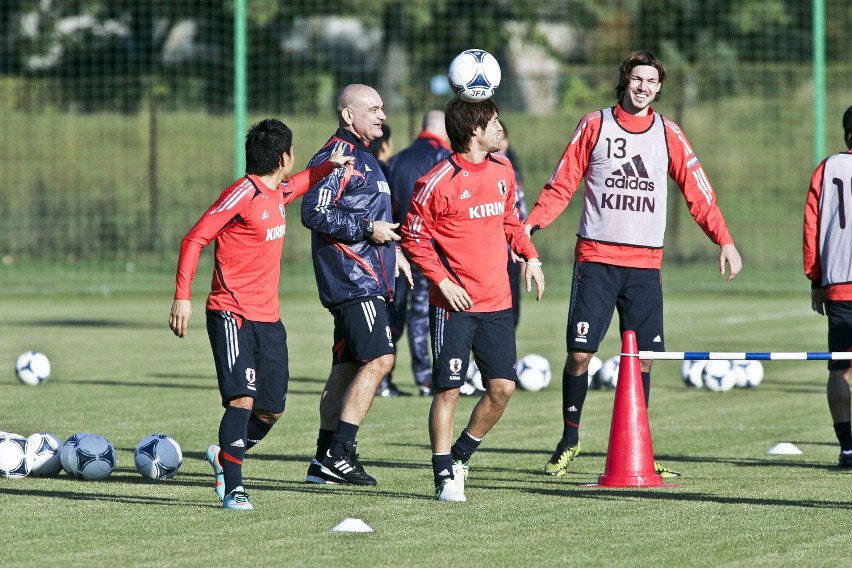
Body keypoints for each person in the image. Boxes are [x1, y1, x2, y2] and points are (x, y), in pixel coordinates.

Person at [524, 50, 743, 478]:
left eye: (652, 81)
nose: (643, 87)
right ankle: (570, 439)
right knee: (580, 354)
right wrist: (532, 223)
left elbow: (699, 193)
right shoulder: (594, 124)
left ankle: (638, 445)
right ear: (625, 80)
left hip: (645, 267)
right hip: (597, 260)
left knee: (644, 360)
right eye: (637, 79)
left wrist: (724, 239)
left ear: (660, 88)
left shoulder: (669, 133)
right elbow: (562, 181)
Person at [168, 118, 351, 510]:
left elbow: (297, 185)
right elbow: (194, 238)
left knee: (271, 410)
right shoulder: (242, 194)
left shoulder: (275, 191)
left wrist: (327, 167)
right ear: (284, 156)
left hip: (269, 319)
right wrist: (182, 297)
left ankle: (225, 453)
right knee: (242, 401)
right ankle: (233, 485)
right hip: (230, 313)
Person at [401, 97, 545, 502]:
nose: (501, 129)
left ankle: (461, 454)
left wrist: (530, 256)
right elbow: (414, 238)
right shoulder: (436, 182)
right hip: (454, 306)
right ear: (475, 131)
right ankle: (443, 473)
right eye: (495, 123)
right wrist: (442, 281)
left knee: (502, 387)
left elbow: (509, 220)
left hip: (497, 301)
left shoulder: (503, 168)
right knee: (447, 390)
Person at [301, 84, 413, 486]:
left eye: (383, 108)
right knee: (381, 360)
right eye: (374, 109)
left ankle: (321, 459)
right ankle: (340, 452)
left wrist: (392, 253)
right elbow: (313, 212)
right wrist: (368, 230)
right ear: (349, 116)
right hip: (353, 282)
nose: (382, 115)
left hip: (369, 277)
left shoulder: (366, 157)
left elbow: (372, 218)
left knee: (346, 370)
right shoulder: (338, 157)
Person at [381, 109, 453, 397]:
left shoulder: (398, 159)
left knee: (394, 309)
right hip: (430, 248)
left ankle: (384, 379)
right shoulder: (445, 158)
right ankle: (426, 378)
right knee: (424, 309)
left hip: (396, 246)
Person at [803, 105, 852, 468]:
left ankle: (848, 446)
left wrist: (816, 279)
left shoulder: (829, 167)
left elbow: (811, 225)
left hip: (838, 282)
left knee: (840, 367)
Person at [498, 122, 529, 329]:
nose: (499, 141)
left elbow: (520, 215)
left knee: (512, 314)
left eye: (503, 136)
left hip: (510, 255)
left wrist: (525, 252)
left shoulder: (513, 175)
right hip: (487, 254)